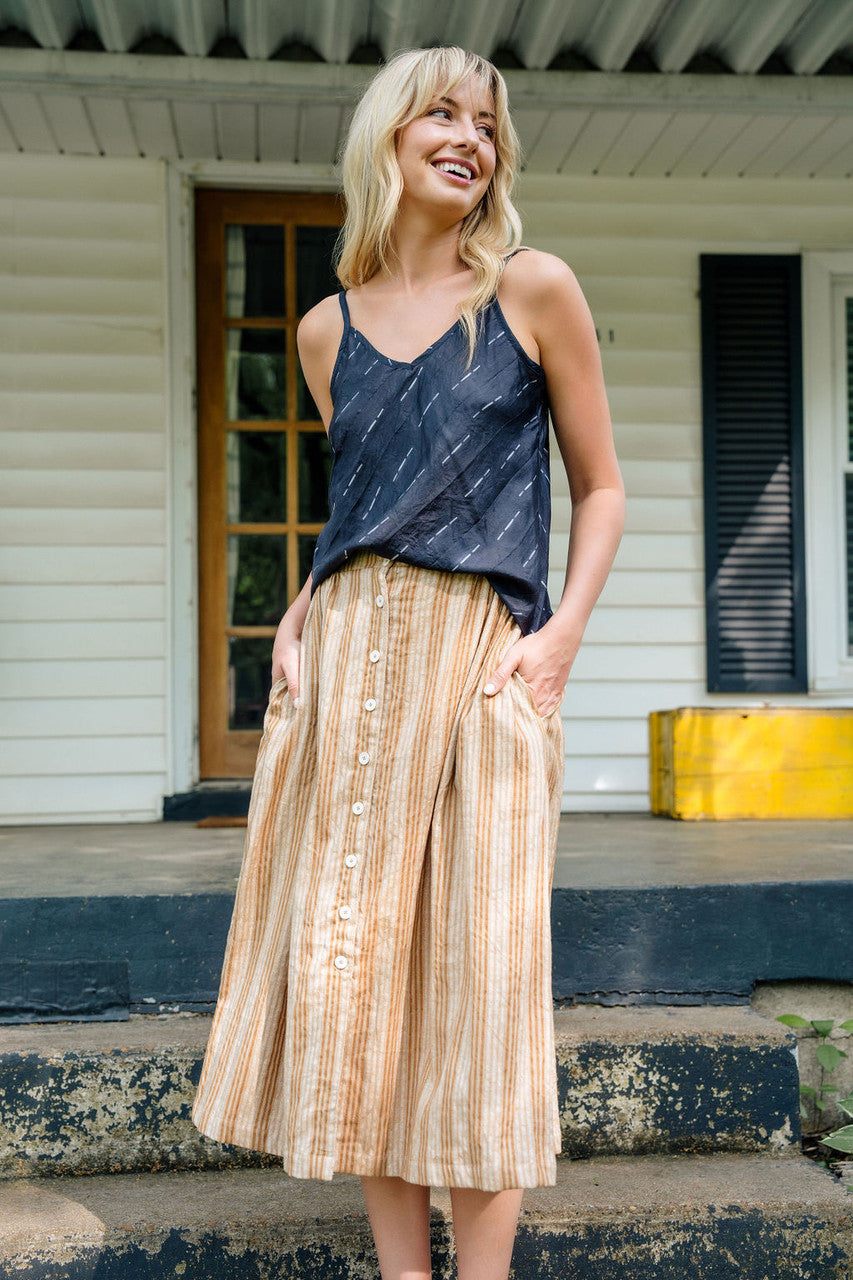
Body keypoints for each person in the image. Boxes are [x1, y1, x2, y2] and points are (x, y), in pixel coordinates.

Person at [192, 44, 624, 1280]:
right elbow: (369, 504)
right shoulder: (325, 329)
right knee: (366, 986)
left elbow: (599, 487)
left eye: (486, 124)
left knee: (477, 1004)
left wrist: (557, 645)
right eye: (441, 112)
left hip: (485, 661)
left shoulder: (533, 290)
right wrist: (301, 609)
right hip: (348, 672)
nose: (469, 137)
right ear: (385, 136)